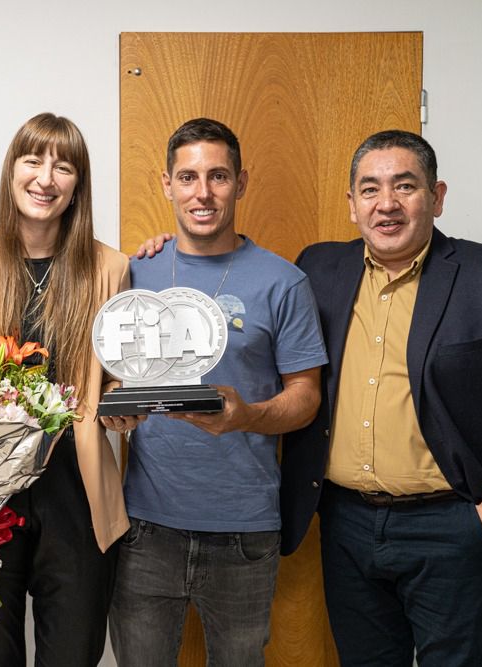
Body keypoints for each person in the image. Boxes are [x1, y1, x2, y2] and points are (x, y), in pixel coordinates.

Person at [281, 129, 482, 666]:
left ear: (436, 197)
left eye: (405, 186)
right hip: (346, 525)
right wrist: (168, 254)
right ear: (351, 205)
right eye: (369, 189)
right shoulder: (318, 269)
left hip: (453, 525)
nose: (386, 204)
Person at [103, 117, 327, 666]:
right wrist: (116, 410)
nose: (202, 193)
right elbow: (110, 375)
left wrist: (246, 415)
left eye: (218, 177)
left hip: (245, 532)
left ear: (241, 183)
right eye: (188, 177)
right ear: (167, 184)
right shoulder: (136, 271)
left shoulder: (283, 282)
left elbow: (307, 396)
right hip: (145, 527)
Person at [0, 112, 128, 666]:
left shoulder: (111, 268)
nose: (46, 177)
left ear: (77, 186)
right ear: (11, 170)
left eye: (63, 166)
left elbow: (115, 379)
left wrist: (124, 405)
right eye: (33, 159)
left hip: (76, 494)